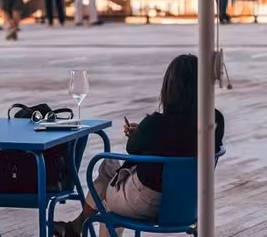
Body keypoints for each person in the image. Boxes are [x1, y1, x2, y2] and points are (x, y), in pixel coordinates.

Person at [54, 54, 225, 237]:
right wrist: (145, 134)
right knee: (110, 168)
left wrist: (139, 133)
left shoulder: (156, 124)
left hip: (147, 201)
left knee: (106, 179)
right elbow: (182, 141)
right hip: (189, 202)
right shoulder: (216, 120)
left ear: (170, 88)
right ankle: (75, 226)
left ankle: (76, 226)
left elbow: (132, 148)